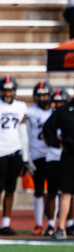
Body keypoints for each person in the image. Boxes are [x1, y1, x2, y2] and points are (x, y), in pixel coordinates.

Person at [0, 76, 30, 236]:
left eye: (10, 90)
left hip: (16, 151)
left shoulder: (21, 106)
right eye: (5, 90)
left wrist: (25, 158)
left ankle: (6, 224)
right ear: (0, 91)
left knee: (11, 189)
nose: (7, 93)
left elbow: (23, 133)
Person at [25, 81, 55, 235]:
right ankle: (38, 224)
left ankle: (51, 224)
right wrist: (27, 156)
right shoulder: (29, 112)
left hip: (52, 155)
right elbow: (26, 135)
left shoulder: (56, 112)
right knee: (38, 190)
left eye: (44, 95)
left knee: (53, 190)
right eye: (39, 95)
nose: (42, 98)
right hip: (36, 154)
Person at [44, 86, 74, 239]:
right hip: (69, 155)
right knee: (66, 192)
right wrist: (56, 143)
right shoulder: (64, 110)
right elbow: (48, 128)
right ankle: (61, 227)